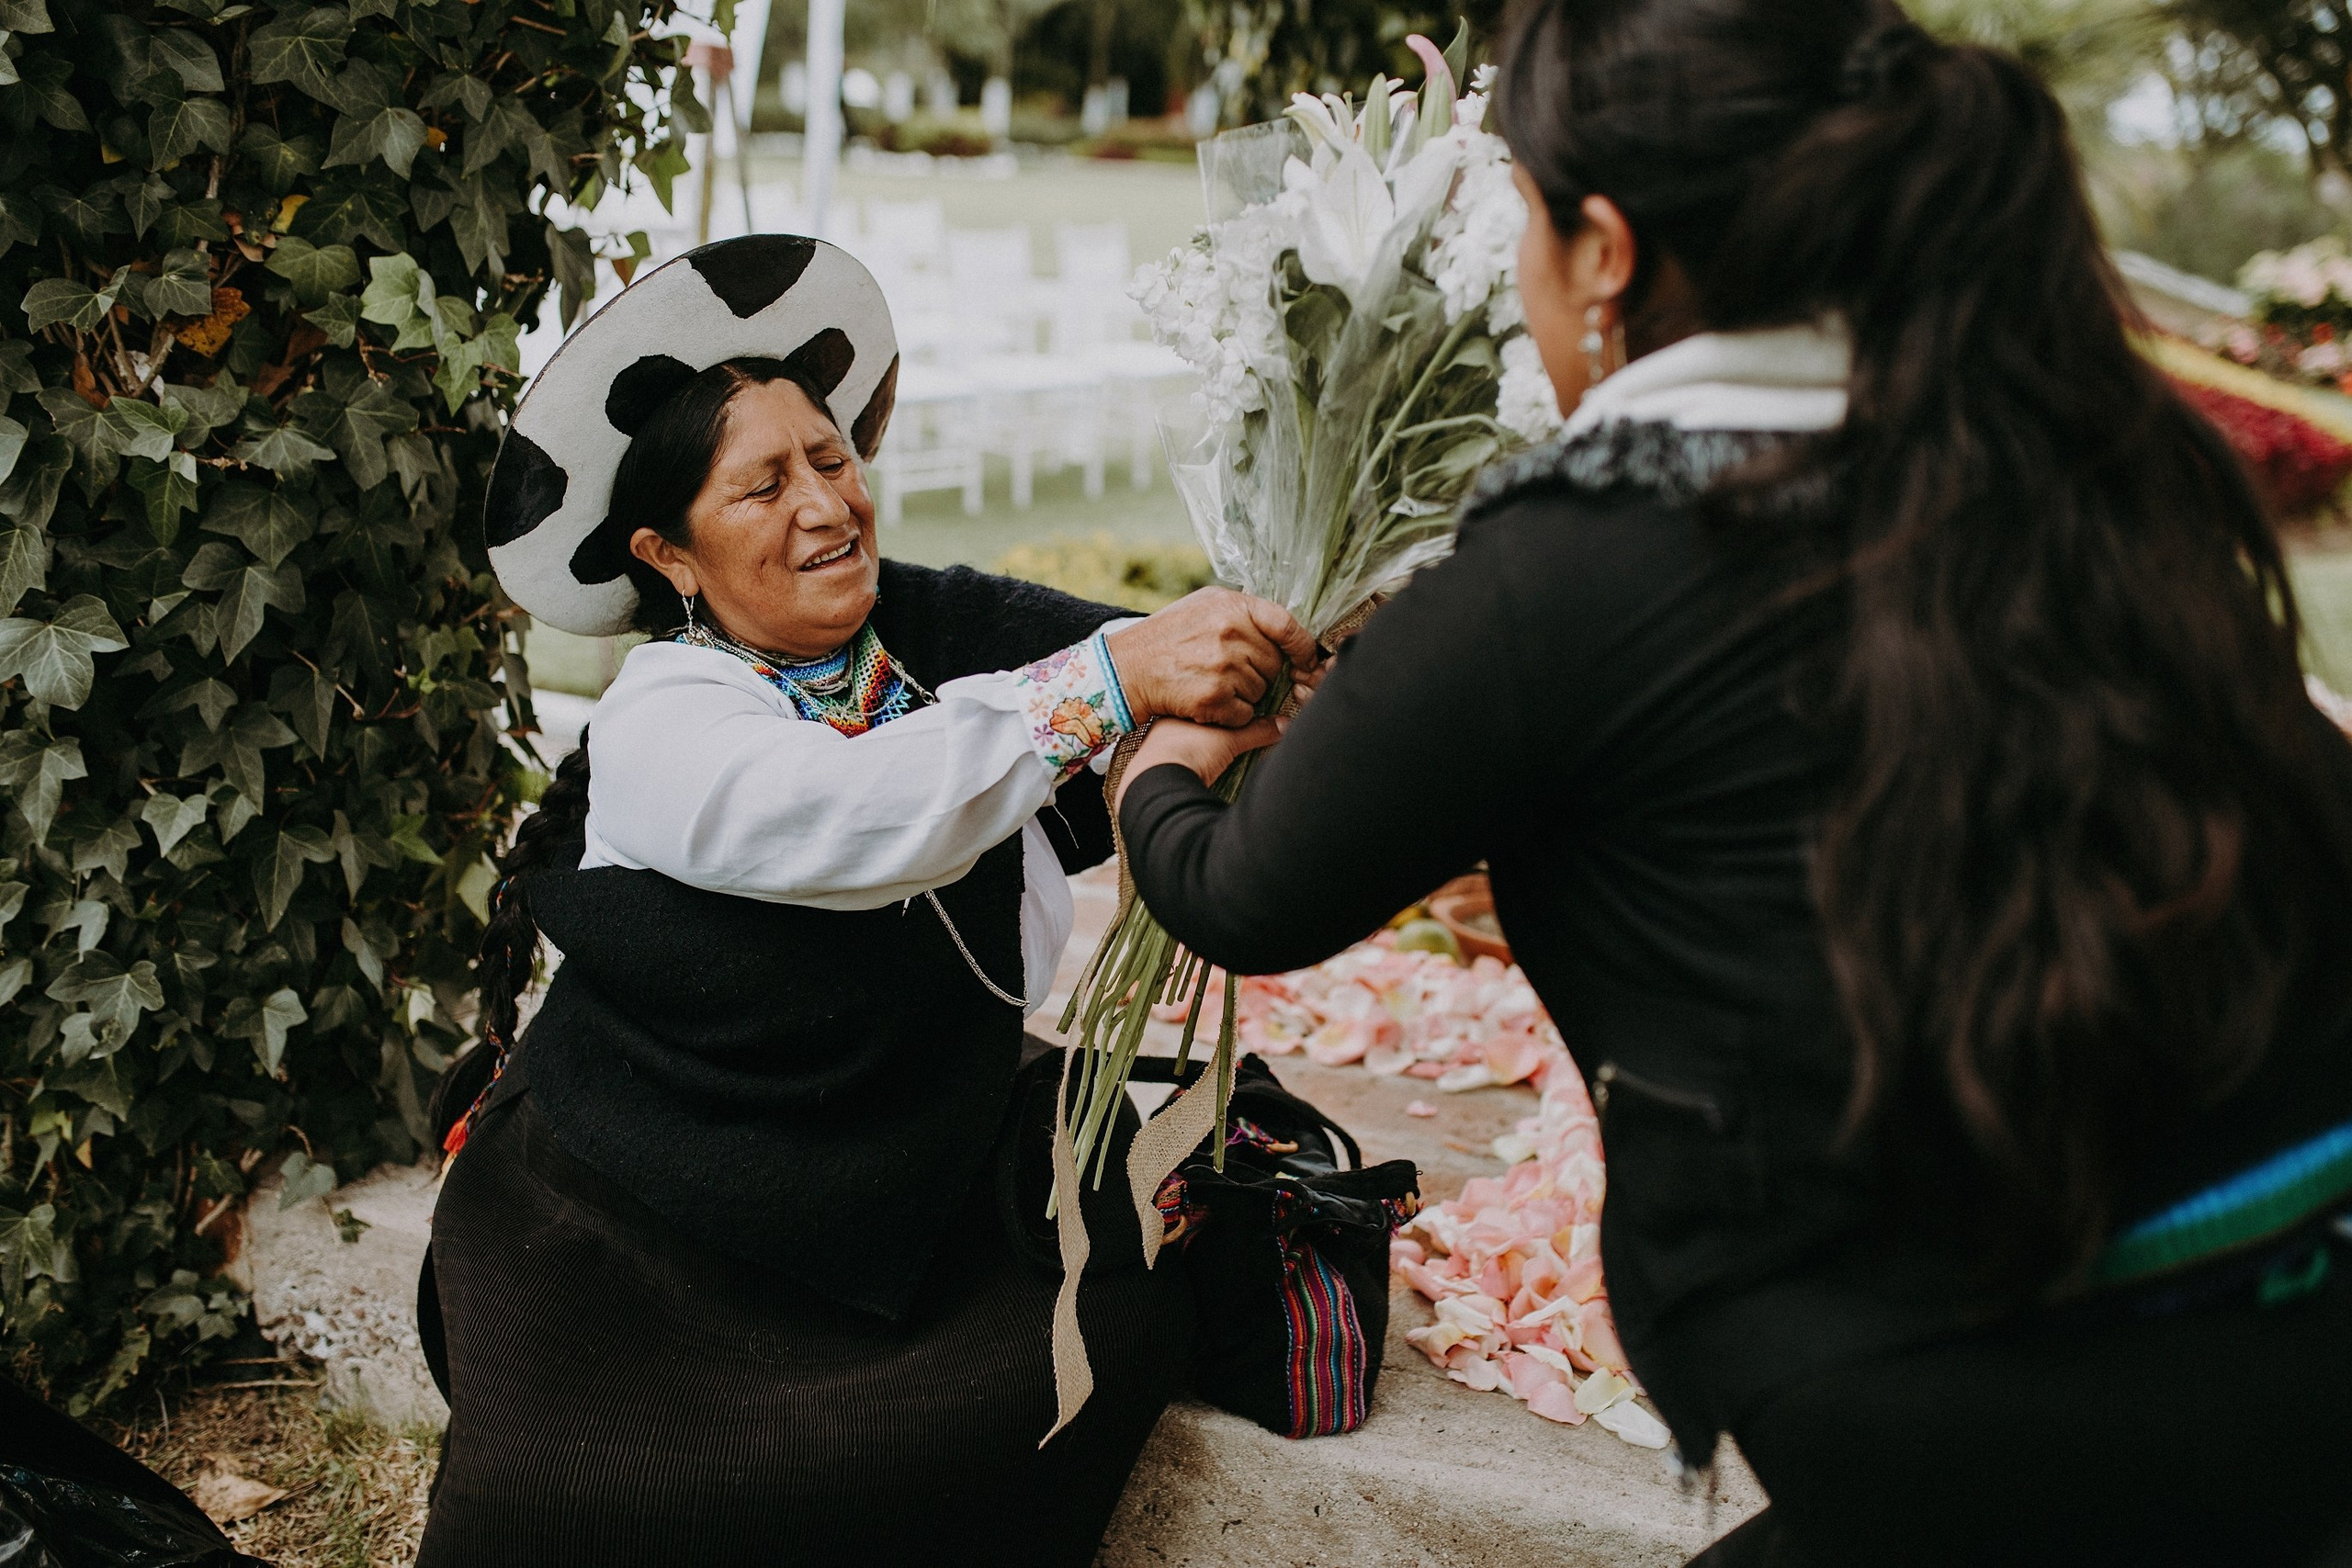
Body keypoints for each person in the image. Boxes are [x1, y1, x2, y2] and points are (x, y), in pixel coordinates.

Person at [1113, 3, 2352, 1562]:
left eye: (1523, 209)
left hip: (1977, 1400)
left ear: (1606, 252)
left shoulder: (1569, 563)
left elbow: (1242, 894)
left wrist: (1156, 752)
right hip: (2294, 1305)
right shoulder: (2045, 448)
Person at [415, 235, 1317, 1568]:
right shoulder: (668, 712)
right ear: (670, 555)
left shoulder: (940, 631)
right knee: (572, 1501)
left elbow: (1147, 692)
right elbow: (857, 808)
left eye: (831, 459)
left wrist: (1257, 673)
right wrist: (1119, 684)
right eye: (762, 485)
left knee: (1097, 1332)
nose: (824, 504)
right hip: (634, 1213)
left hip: (890, 1170)